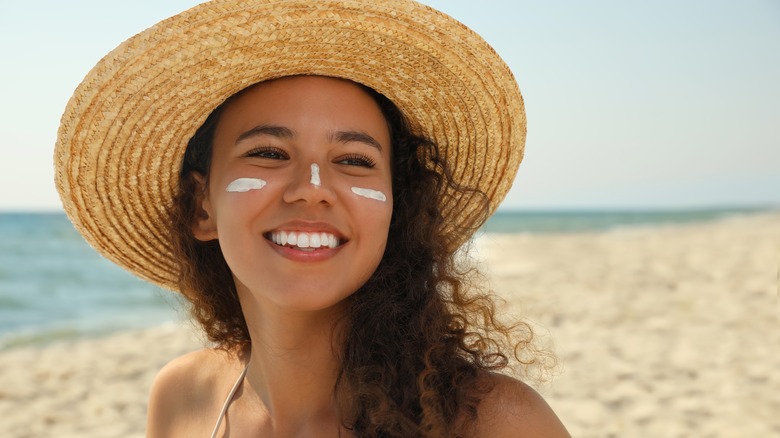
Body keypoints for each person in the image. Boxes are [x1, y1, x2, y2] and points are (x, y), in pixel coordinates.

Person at [55, 1, 570, 436]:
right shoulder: (181, 400)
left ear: (398, 209)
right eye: (269, 153)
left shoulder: (493, 422)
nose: (312, 191)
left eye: (354, 161)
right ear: (201, 206)